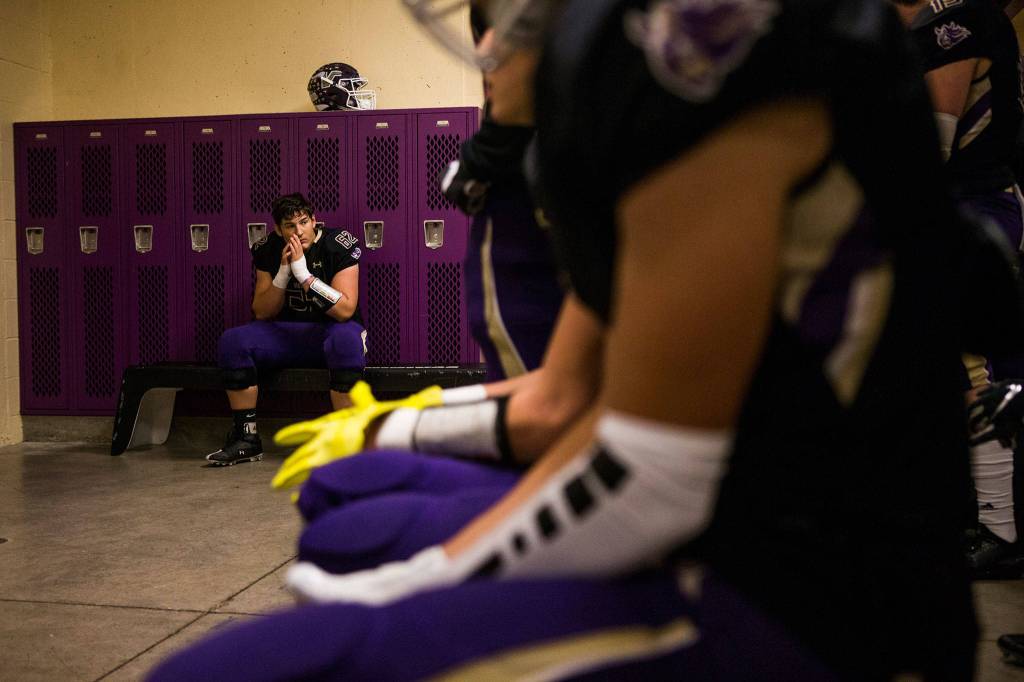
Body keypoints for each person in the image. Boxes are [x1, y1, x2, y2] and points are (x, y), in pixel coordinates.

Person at [150, 0, 988, 677]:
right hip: (727, 518)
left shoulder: (705, 46)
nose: (485, 38)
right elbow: (578, 391)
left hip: (815, 587)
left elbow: (653, 472)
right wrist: (395, 423)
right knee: (344, 522)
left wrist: (426, 581)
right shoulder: (620, 83)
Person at [892, 0, 1024, 573]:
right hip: (961, 203)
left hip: (975, 204)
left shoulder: (961, 18)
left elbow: (935, 141)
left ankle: (1003, 529)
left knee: (978, 365)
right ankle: (985, 515)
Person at [205, 193, 366, 467]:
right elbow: (263, 311)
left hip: (329, 331)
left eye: (304, 222)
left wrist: (304, 276)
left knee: (347, 342)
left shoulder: (337, 244)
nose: (298, 230)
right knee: (233, 342)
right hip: (286, 334)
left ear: (314, 220)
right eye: (290, 225)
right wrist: (283, 272)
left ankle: (347, 440)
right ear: (279, 229)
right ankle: (247, 439)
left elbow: (345, 309)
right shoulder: (268, 248)